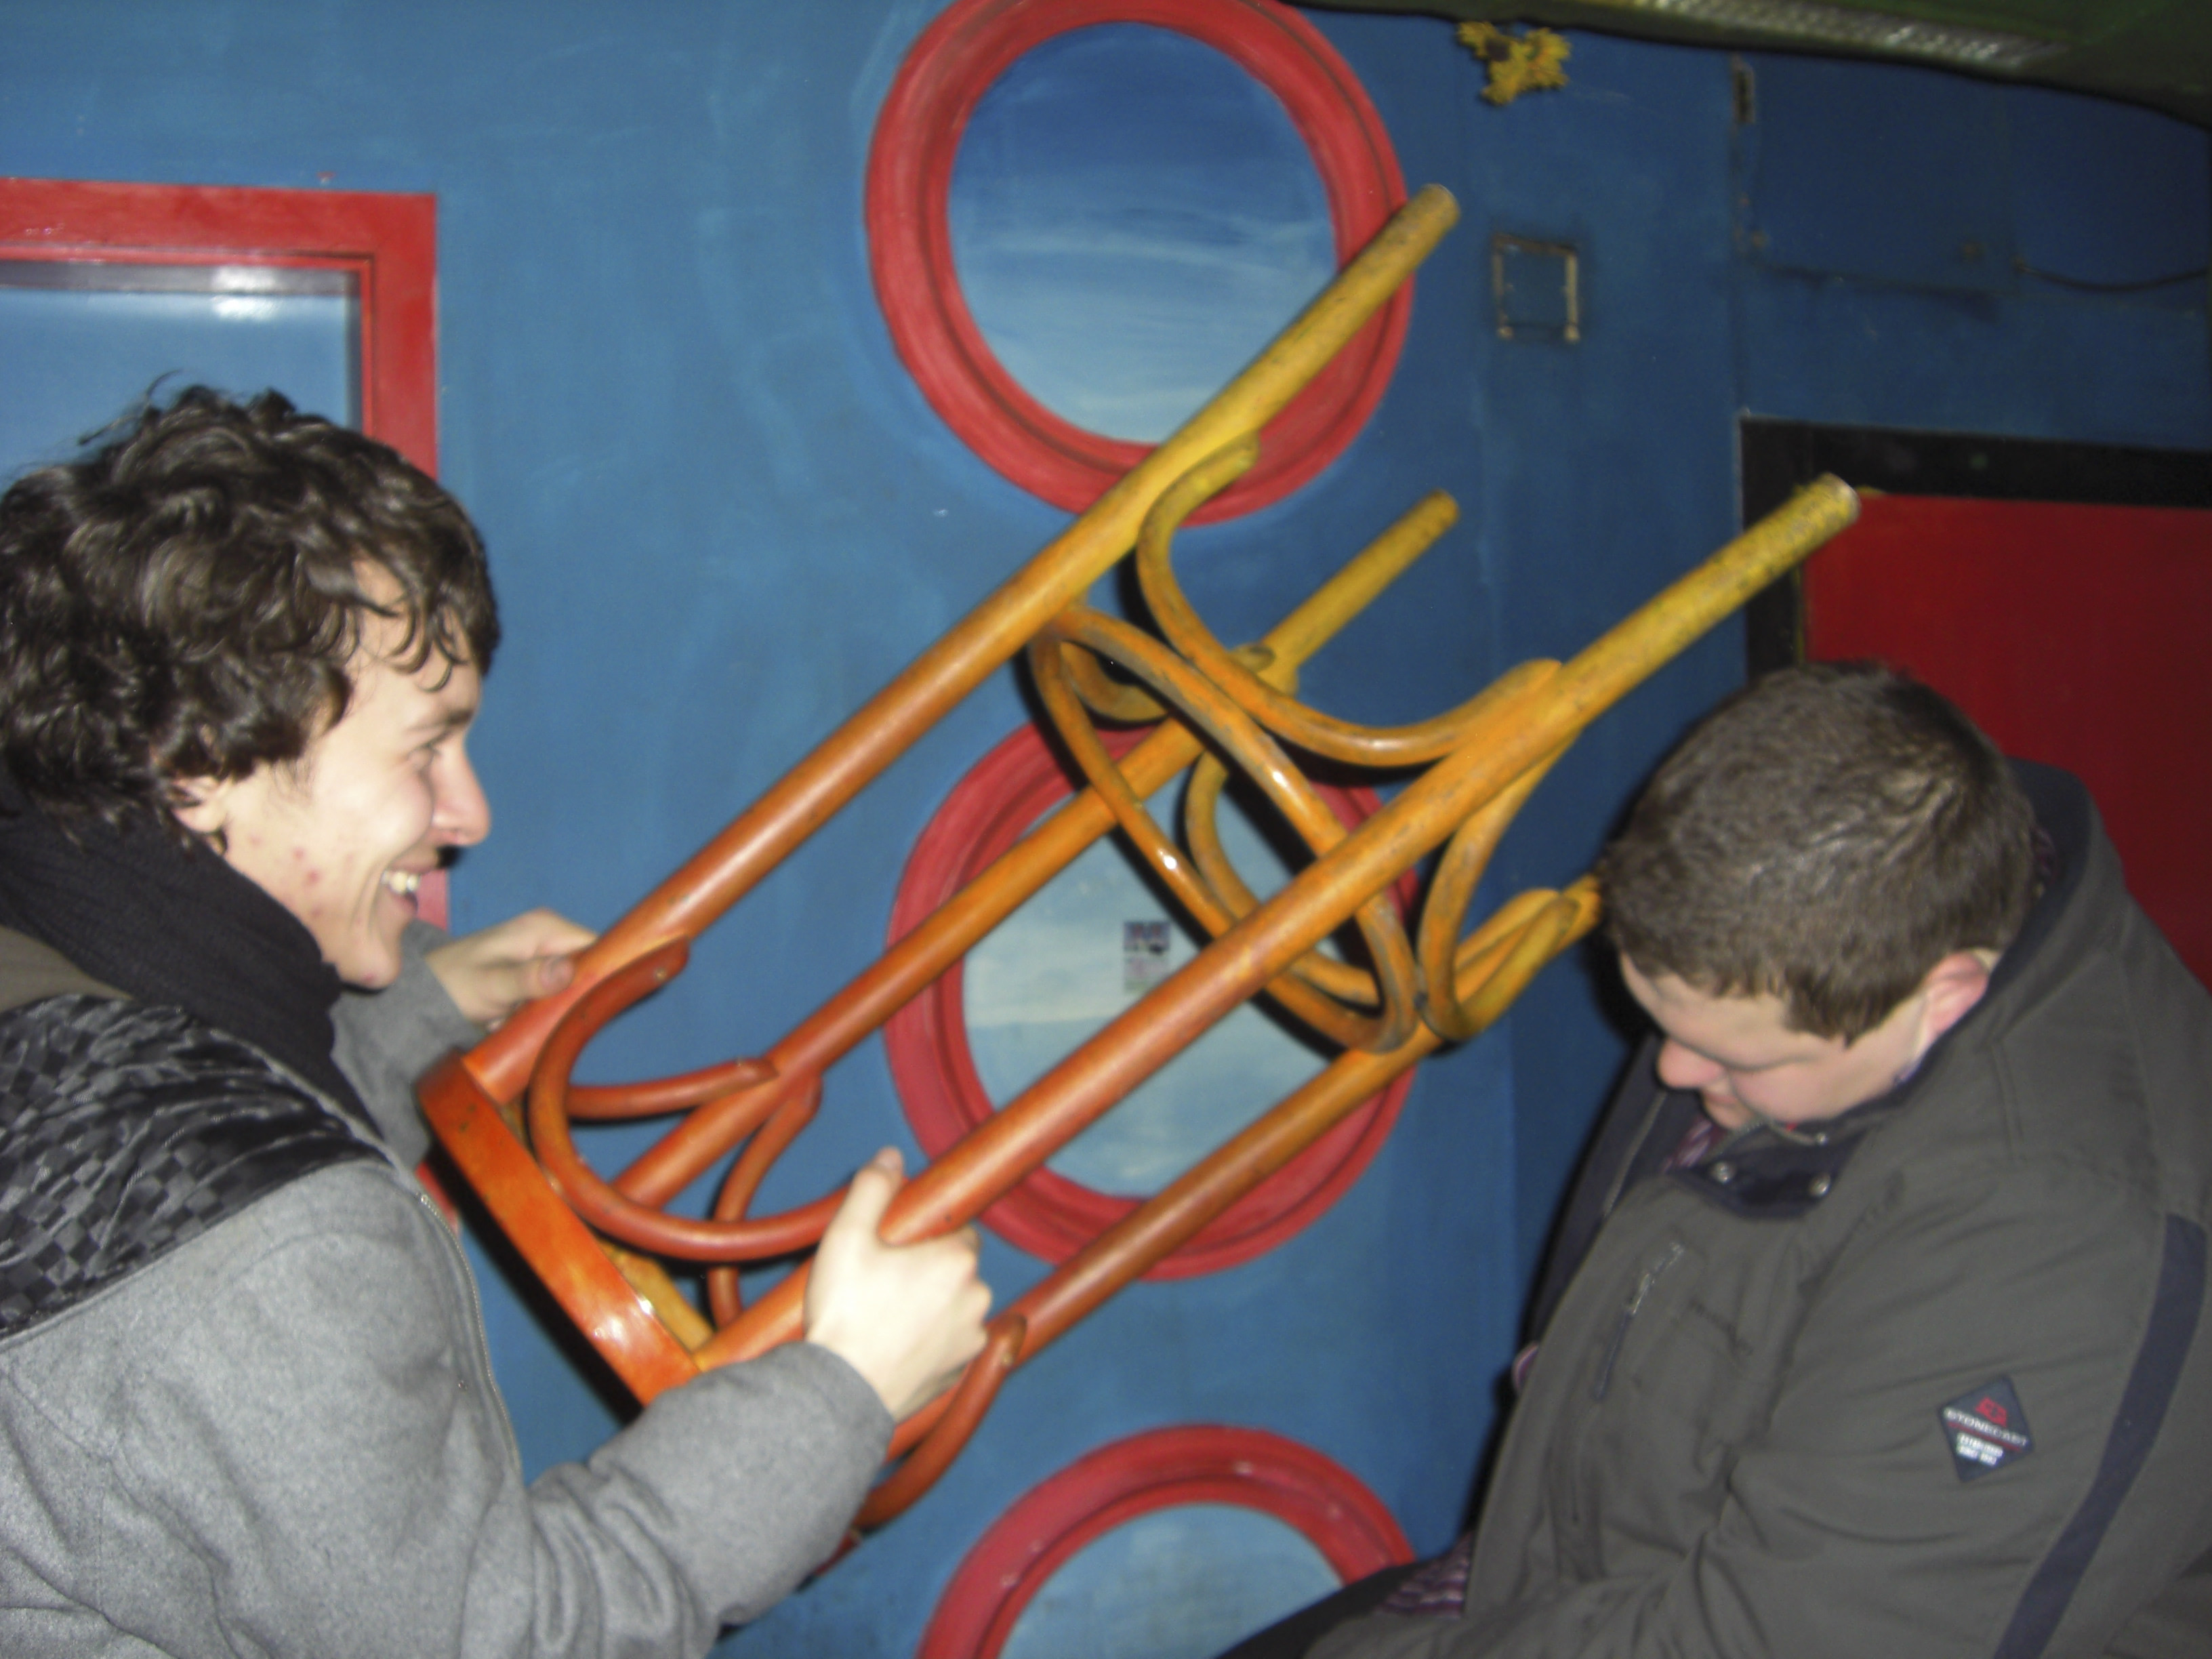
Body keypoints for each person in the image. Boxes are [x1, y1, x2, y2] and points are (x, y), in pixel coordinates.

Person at [0, 387, 991, 1656]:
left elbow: (172, 1161)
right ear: (196, 762)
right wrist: (844, 1389)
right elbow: (507, 1637)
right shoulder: (264, 1252)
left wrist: (423, 1004)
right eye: (426, 749)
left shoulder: (56, 965)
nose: (467, 815)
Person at [1229, 661, 2212, 1658]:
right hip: (1573, 1580)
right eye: (1661, 1022)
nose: (1672, 1071)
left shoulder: (2056, 1246)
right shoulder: (1858, 925)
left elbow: (1763, 1641)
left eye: (1739, 1058)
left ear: (1945, 998)